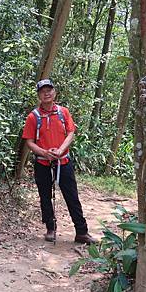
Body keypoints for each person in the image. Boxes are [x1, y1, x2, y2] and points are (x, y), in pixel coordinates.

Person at [22, 79, 97, 244]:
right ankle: (50, 228)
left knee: (72, 196)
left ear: (54, 92)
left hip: (63, 162)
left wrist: (61, 150)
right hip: (43, 163)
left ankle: (81, 232)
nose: (46, 93)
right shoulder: (33, 117)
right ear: (39, 95)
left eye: (49, 90)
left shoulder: (63, 112)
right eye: (43, 91)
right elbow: (29, 141)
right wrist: (44, 152)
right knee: (45, 196)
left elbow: (70, 133)